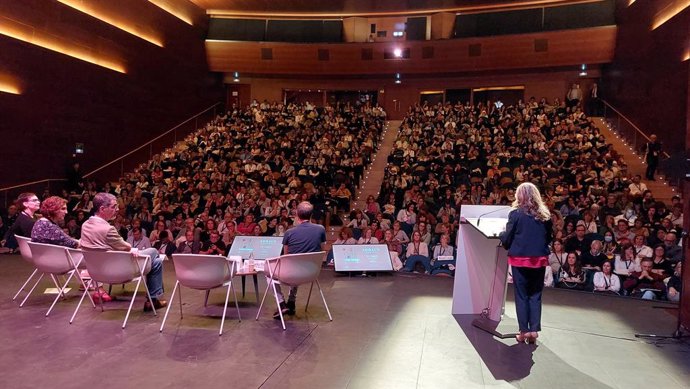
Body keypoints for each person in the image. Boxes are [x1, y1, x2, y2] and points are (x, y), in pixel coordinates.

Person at [80, 193, 167, 311]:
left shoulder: (85, 225)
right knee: (153, 251)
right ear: (102, 209)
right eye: (113, 207)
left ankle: (153, 301)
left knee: (156, 263)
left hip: (97, 273)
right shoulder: (108, 229)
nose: (117, 210)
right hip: (119, 271)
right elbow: (126, 247)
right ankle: (154, 298)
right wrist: (130, 248)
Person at [499, 182, 552, 344]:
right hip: (539, 259)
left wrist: (501, 233)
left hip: (520, 259)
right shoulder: (545, 215)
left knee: (522, 296)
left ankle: (523, 332)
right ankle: (534, 330)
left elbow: (507, 240)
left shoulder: (515, 214)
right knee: (535, 295)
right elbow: (548, 238)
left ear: (519, 195)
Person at [272, 201, 326, 319]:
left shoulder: (289, 232)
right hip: (312, 273)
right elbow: (322, 251)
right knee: (297, 264)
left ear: (297, 214)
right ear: (311, 215)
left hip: (293, 274)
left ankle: (281, 303)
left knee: (270, 273)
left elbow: (286, 257)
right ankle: (291, 302)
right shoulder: (321, 229)